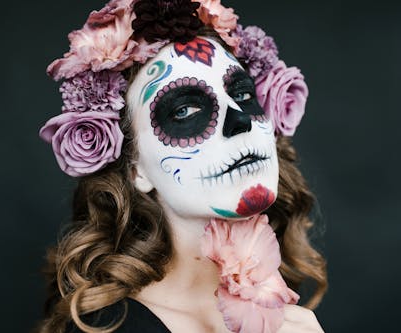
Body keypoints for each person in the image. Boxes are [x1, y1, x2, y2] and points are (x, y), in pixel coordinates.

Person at [36, 1, 327, 332]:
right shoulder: (108, 328)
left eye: (244, 96)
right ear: (135, 170)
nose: (240, 120)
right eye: (185, 111)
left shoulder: (278, 306)